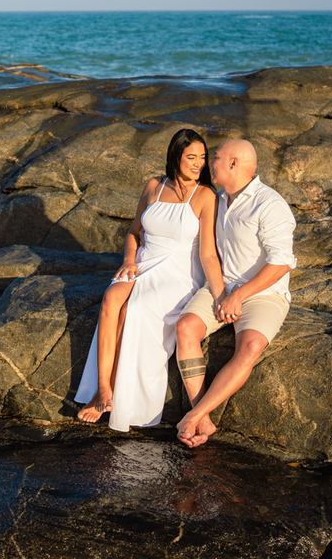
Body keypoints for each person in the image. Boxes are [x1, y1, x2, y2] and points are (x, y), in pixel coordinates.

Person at [73, 128, 226, 431]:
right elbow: (133, 232)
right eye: (191, 157)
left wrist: (220, 293)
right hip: (144, 261)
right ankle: (102, 387)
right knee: (111, 299)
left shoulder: (205, 195)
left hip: (179, 271)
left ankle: (117, 393)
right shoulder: (154, 186)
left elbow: (208, 253)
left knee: (134, 309)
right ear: (176, 156)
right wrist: (129, 260)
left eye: (202, 157)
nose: (198, 163)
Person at [174, 138, 297, 448]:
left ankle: (193, 416)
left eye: (215, 157)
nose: (209, 163)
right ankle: (203, 418)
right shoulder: (217, 199)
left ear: (233, 163)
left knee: (250, 347)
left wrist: (239, 297)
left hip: (265, 293)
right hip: (222, 286)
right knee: (185, 327)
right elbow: (208, 253)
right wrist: (221, 293)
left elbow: (282, 263)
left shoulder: (270, 204)